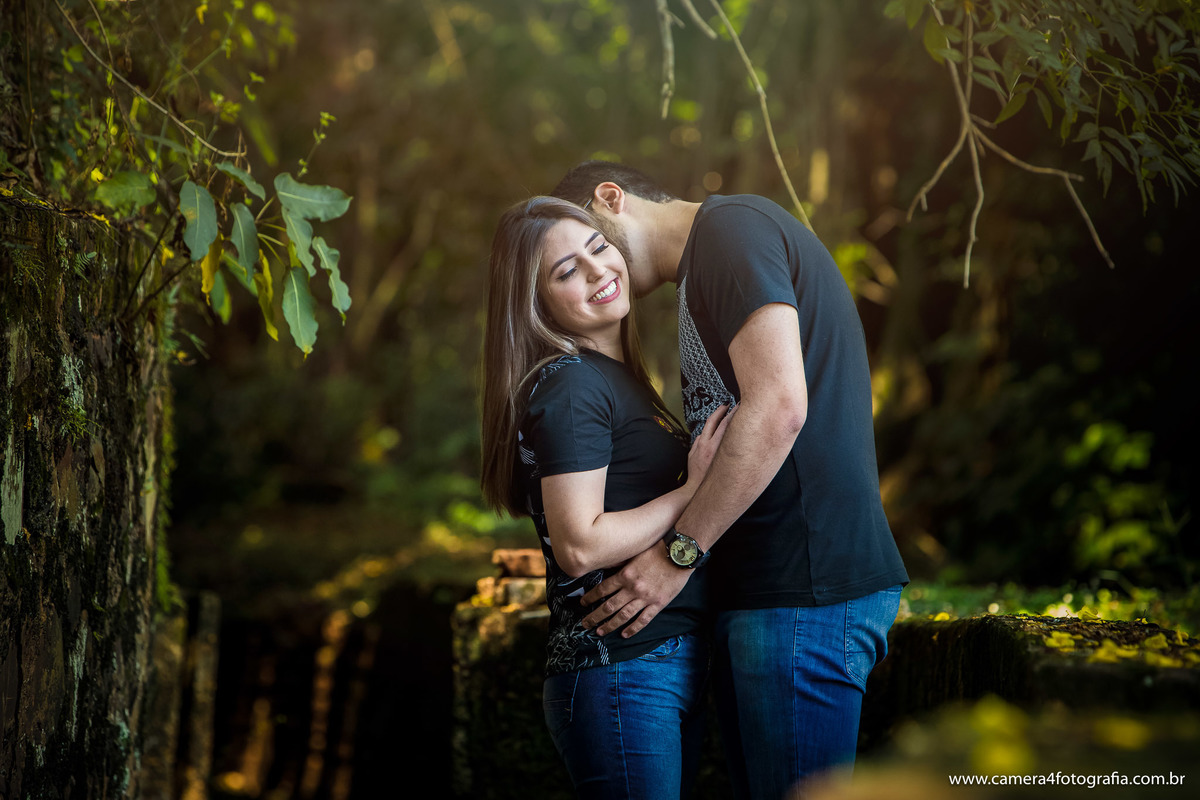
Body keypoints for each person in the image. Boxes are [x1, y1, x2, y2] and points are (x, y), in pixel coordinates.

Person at [550, 162, 910, 799]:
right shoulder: (704, 264)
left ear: (612, 199)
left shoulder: (729, 231)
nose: (593, 268)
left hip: (806, 590)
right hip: (772, 598)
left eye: (591, 241)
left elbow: (778, 406)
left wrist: (677, 557)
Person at [479, 196, 731, 799]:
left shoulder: (615, 380)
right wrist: (696, 492)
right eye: (567, 271)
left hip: (658, 662)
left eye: (598, 249)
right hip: (622, 672)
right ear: (535, 302)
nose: (598, 271)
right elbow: (580, 543)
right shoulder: (571, 384)